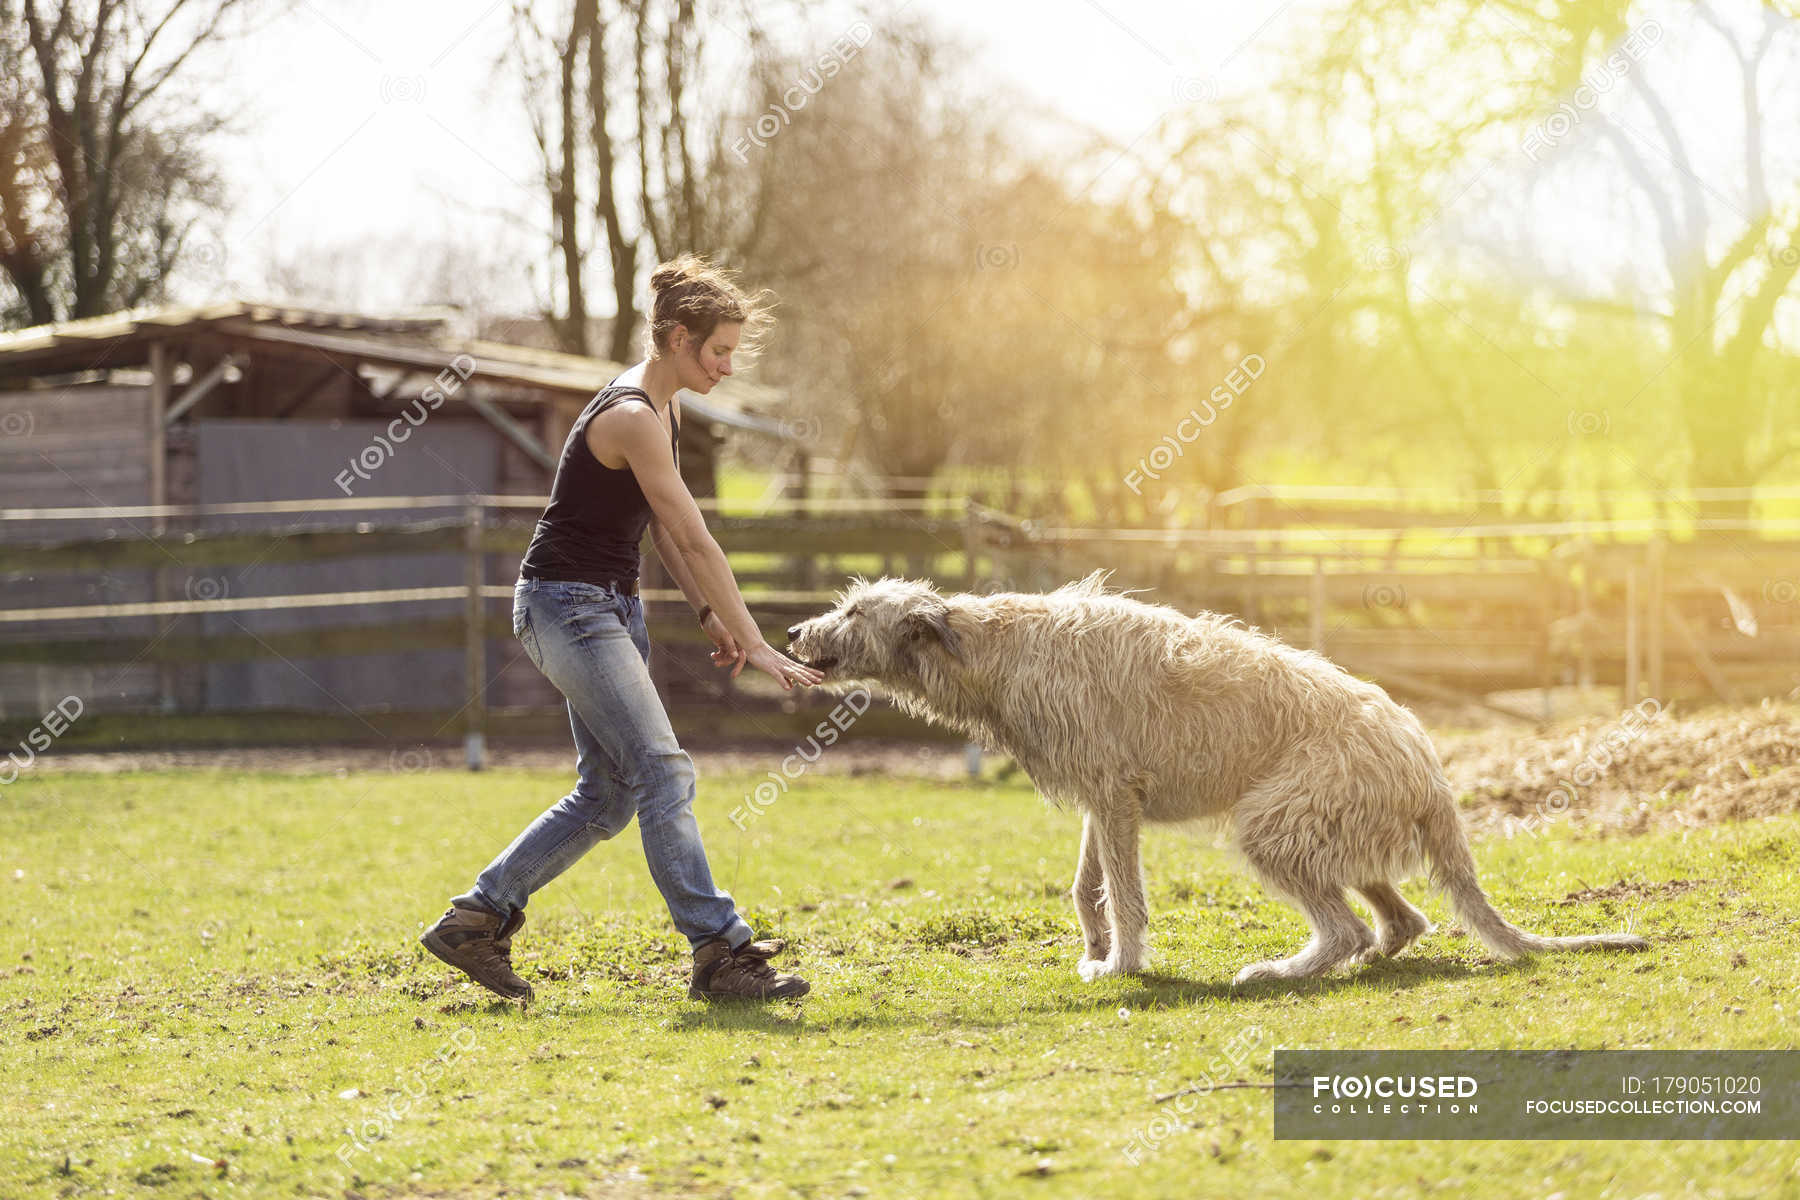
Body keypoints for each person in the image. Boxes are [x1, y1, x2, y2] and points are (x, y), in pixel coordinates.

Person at [421, 255, 822, 1003]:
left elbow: (661, 530)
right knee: (664, 771)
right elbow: (696, 535)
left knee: (608, 796)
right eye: (719, 351)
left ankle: (474, 920)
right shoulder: (633, 414)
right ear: (677, 338)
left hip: (607, 605)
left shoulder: (663, 409)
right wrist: (758, 641)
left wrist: (709, 614)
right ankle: (720, 950)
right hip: (564, 606)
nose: (729, 367)